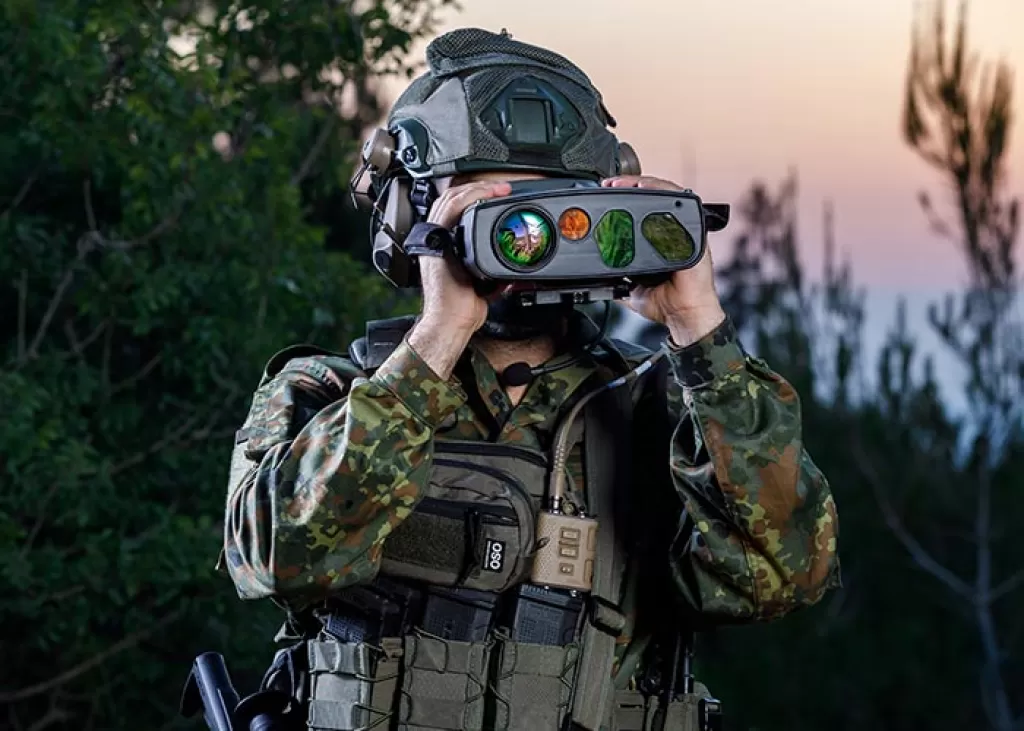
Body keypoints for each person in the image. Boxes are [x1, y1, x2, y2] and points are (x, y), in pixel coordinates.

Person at [220, 27, 840, 731]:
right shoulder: (329, 393)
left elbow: (781, 575)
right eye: (494, 213)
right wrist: (436, 339)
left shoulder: (665, 416)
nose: (525, 244)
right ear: (409, 217)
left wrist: (698, 329)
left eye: (549, 216)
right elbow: (273, 557)